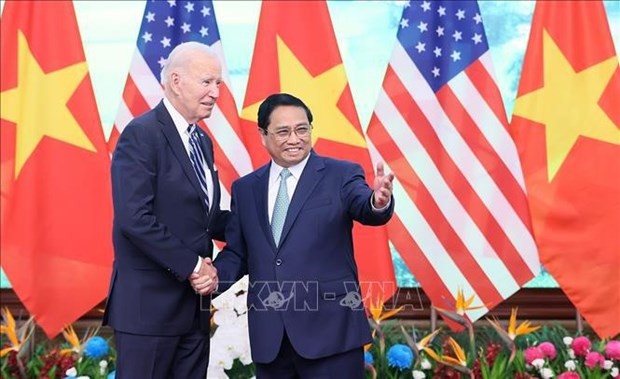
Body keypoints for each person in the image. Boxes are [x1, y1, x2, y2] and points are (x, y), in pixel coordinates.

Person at [196, 93, 394, 378]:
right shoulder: (246, 188)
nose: (295, 139)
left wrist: (379, 202)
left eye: (302, 129)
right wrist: (212, 279)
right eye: (283, 131)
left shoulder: (341, 174)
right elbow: (239, 252)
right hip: (271, 339)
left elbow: (366, 206)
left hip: (331, 335)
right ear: (263, 135)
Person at [103, 42, 224, 379]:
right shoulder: (141, 135)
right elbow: (134, 218)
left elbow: (205, 220)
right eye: (207, 82)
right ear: (175, 80)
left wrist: (268, 220)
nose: (215, 93)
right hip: (149, 312)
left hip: (193, 311)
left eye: (219, 84)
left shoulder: (203, 141)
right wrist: (194, 266)